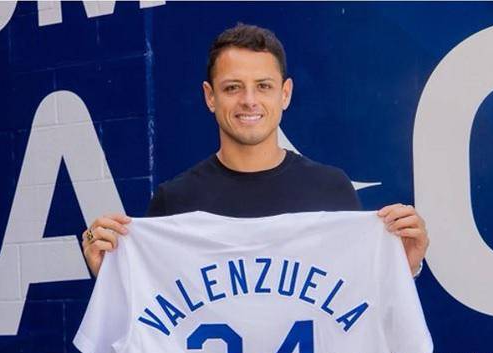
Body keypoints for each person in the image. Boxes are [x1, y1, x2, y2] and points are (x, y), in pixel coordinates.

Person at [81, 23, 428, 279]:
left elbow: (359, 299)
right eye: (233, 87)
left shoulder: (330, 189)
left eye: (263, 86)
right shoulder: (175, 201)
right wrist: (108, 275)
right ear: (209, 96)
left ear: (285, 94)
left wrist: (406, 267)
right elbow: (150, 316)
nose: (249, 100)